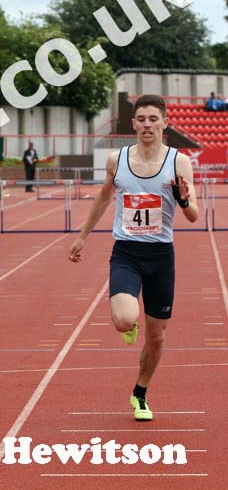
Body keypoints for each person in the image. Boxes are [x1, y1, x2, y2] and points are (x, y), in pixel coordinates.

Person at [69, 94, 198, 422]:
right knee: (125, 319)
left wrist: (183, 201)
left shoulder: (178, 162)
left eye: (154, 119)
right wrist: (83, 235)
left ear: (165, 122)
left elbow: (194, 215)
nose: (147, 125)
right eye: (141, 119)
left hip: (161, 257)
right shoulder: (117, 160)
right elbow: (102, 197)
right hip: (126, 252)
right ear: (134, 124)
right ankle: (129, 322)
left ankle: (140, 392)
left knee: (156, 337)